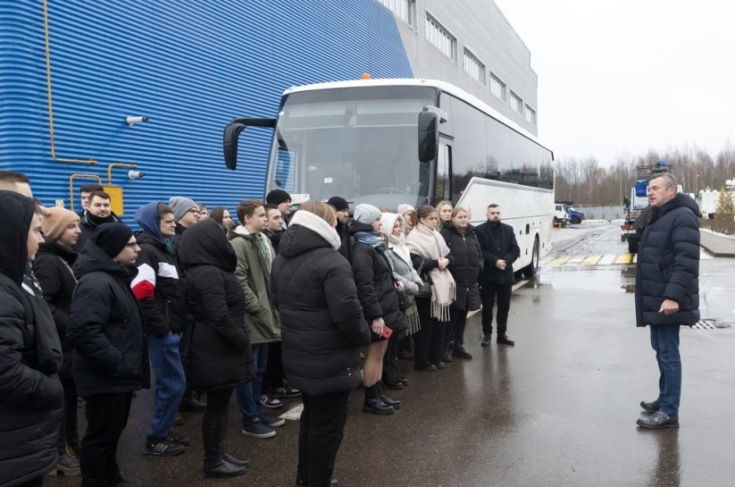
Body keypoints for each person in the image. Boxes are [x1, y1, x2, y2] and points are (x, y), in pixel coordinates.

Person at [271, 201, 371, 487]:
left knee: (312, 419)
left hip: (300, 353)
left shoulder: (282, 257)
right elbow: (348, 313)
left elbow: (276, 299)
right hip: (330, 359)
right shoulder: (332, 260)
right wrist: (365, 337)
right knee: (328, 428)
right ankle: (318, 481)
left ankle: (306, 478)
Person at [67, 223, 150, 487]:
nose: (137, 248)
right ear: (114, 249)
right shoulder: (97, 283)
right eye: (131, 244)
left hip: (117, 374)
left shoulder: (113, 276)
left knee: (112, 432)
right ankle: (95, 481)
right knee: (100, 436)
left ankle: (111, 478)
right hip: (106, 375)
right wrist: (119, 362)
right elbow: (83, 332)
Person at [178, 218, 254, 478]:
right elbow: (218, 316)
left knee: (219, 407)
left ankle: (219, 454)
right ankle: (213, 460)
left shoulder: (206, 269)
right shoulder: (208, 272)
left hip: (217, 345)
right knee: (217, 407)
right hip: (217, 347)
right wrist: (241, 340)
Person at [0, 190, 64, 487]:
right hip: (13, 444)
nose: (42, 239)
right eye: (37, 231)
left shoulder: (15, 279)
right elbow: (5, 374)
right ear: (12, 231)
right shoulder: (4, 292)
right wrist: (53, 389)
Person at [635, 174, 700, 429]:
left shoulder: (682, 216)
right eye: (649, 189)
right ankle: (665, 399)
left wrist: (673, 296)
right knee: (661, 351)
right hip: (656, 297)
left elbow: (686, 261)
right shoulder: (661, 214)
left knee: (669, 354)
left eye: (656, 188)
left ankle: (670, 412)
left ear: (671, 191)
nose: (650, 192)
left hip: (666, 299)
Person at [132, 203, 188, 456]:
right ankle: (156, 438)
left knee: (173, 383)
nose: (174, 224)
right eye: (168, 221)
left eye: (174, 220)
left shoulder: (166, 249)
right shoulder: (147, 251)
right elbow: (143, 295)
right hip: (162, 333)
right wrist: (162, 330)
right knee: (172, 384)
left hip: (172, 328)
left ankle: (163, 431)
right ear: (154, 224)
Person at [228, 200, 285, 437]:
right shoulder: (239, 244)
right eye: (261, 215)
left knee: (259, 368)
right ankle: (249, 418)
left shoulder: (262, 240)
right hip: (252, 315)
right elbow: (238, 279)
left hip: (265, 312)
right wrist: (258, 306)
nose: (266, 219)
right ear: (247, 219)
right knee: (248, 370)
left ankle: (257, 411)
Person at [33, 207, 83, 475]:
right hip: (62, 346)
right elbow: (46, 305)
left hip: (70, 345)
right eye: (71, 226)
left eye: (77, 225)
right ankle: (60, 451)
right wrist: (73, 325)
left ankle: (71, 444)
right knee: (62, 400)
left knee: (71, 398)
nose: (78, 231)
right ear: (55, 231)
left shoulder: (64, 258)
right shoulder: (48, 262)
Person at [349, 204, 407, 414]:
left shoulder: (370, 244)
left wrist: (393, 282)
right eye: (376, 219)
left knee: (381, 352)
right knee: (374, 353)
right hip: (378, 312)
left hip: (384, 308)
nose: (380, 223)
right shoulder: (362, 249)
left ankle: (379, 392)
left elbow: (380, 277)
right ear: (366, 221)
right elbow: (365, 285)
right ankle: (371, 399)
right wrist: (375, 316)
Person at [406, 205, 456, 371]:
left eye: (436, 218)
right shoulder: (413, 238)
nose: (435, 221)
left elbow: (450, 255)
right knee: (426, 327)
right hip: (426, 288)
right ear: (421, 220)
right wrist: (437, 262)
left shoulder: (436, 235)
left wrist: (447, 261)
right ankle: (423, 361)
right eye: (431, 219)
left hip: (440, 285)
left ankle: (436, 357)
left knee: (440, 323)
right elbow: (417, 262)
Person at [168, 196, 206, 412]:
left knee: (190, 352)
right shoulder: (175, 240)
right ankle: (180, 400)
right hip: (184, 304)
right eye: (192, 211)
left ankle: (188, 394)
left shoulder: (188, 236)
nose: (197, 214)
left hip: (192, 302)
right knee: (182, 353)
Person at [261, 203, 300, 402]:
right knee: (269, 348)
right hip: (269, 301)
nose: (280, 220)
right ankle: (267, 389)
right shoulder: (264, 241)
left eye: (280, 217)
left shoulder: (282, 240)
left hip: (283, 299)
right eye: (275, 217)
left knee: (280, 346)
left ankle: (279, 382)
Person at [379, 212, 422, 389]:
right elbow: (392, 272)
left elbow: (410, 267)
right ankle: (388, 375)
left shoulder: (402, 246)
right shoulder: (386, 248)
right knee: (389, 341)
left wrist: (417, 281)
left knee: (396, 339)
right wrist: (411, 286)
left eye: (399, 226)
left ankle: (393, 372)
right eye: (394, 226)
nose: (398, 230)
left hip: (406, 294)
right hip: (396, 295)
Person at [440, 207, 483, 360]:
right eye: (460, 217)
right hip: (453, 282)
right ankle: (444, 347)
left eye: (465, 217)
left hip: (469, 282)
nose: (464, 219)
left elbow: (479, 254)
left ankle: (458, 345)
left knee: (463, 314)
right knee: (452, 316)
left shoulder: (472, 233)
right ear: (453, 218)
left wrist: (479, 266)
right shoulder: (446, 233)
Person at [475, 204, 520, 347]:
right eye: (492, 213)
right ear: (487, 214)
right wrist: (495, 262)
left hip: (505, 275)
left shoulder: (508, 229)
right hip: (488, 276)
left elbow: (515, 250)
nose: (496, 215)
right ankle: (487, 334)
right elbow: (480, 251)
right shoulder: (480, 230)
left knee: (504, 307)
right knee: (487, 307)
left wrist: (506, 261)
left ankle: (502, 334)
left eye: (498, 212)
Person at [327, 196, 351, 260]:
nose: (347, 214)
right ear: (333, 212)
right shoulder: (327, 233)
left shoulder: (346, 229)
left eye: (347, 211)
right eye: (343, 211)